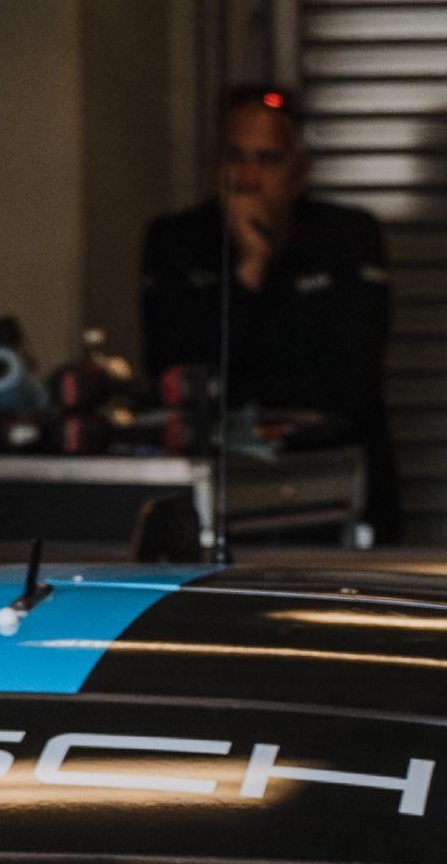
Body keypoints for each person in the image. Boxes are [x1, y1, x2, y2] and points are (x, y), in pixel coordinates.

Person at [140, 84, 399, 545]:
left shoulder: (348, 237)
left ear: (300, 172)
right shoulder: (174, 240)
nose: (248, 178)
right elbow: (173, 375)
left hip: (337, 499)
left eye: (268, 159)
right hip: (217, 504)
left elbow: (353, 383)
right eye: (235, 157)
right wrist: (250, 268)